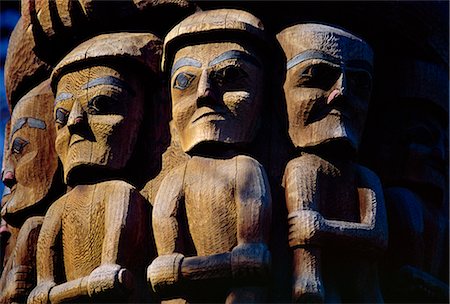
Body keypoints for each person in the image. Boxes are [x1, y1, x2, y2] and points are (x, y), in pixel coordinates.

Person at [148, 9, 272, 303]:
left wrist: (244, 259)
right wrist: (172, 267)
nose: (204, 92)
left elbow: (252, 252)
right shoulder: (177, 176)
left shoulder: (246, 168)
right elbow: (165, 245)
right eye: (183, 81)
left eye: (231, 74)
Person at [27, 32, 162, 303]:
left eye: (102, 104)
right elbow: (47, 257)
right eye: (61, 116)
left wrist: (109, 268)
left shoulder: (120, 192)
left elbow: (116, 250)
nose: (75, 122)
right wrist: (45, 285)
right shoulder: (57, 208)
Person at [277, 23, 387, 302]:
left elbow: (377, 237)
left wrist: (321, 229)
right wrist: (307, 281)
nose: (341, 92)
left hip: (365, 288)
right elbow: (304, 248)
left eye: (360, 84)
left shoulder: (365, 176)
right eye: (317, 76)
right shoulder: (301, 168)